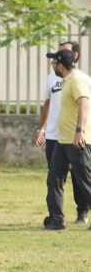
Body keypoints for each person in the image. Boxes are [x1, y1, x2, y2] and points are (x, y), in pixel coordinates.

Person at [36, 42, 90, 225]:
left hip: (77, 140)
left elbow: (83, 104)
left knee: (84, 182)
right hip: (62, 139)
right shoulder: (65, 80)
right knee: (54, 179)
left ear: (60, 65)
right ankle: (56, 219)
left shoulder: (77, 80)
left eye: (54, 63)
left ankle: (82, 213)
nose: (53, 66)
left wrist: (79, 131)